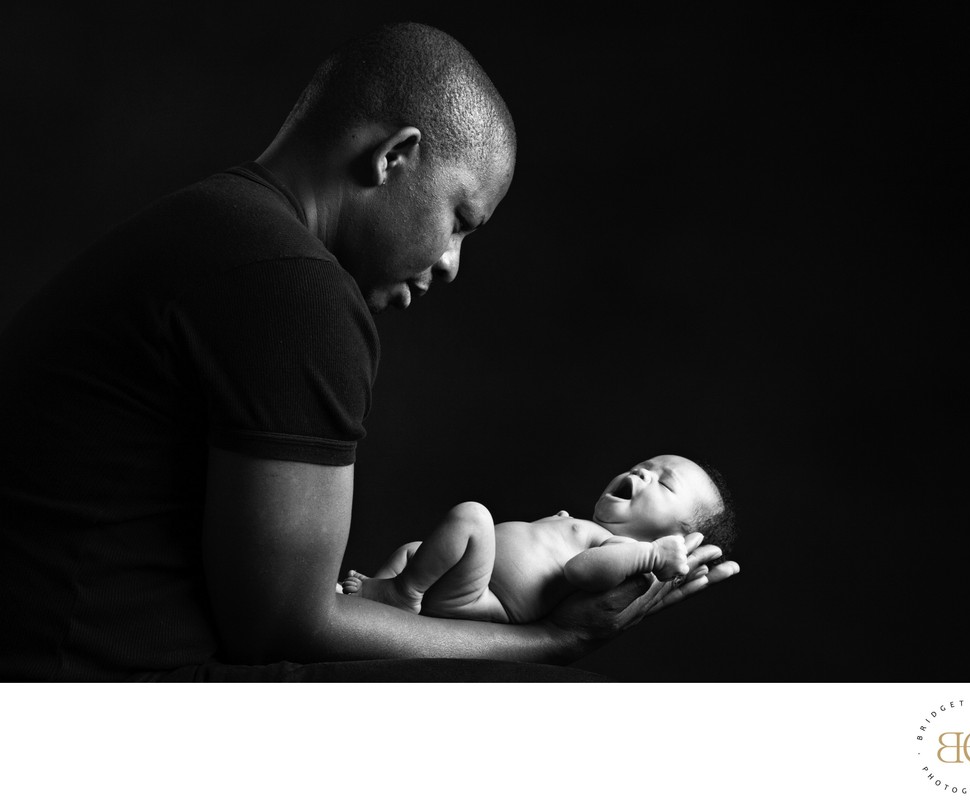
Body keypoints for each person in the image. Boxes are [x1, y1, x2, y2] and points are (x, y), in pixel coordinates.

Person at [0, 22, 739, 683]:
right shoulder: (296, 290)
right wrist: (552, 640)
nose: (450, 262)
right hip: (89, 694)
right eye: (459, 219)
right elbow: (286, 626)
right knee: (577, 712)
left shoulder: (215, 223)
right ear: (397, 156)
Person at [340, 455, 738, 624]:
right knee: (414, 552)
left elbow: (581, 571)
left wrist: (651, 555)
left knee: (472, 516)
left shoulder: (624, 551)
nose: (643, 474)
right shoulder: (588, 527)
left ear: (676, 538)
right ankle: (375, 595)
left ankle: (402, 594)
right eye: (642, 467)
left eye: (664, 483)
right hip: (467, 581)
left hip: (485, 599)